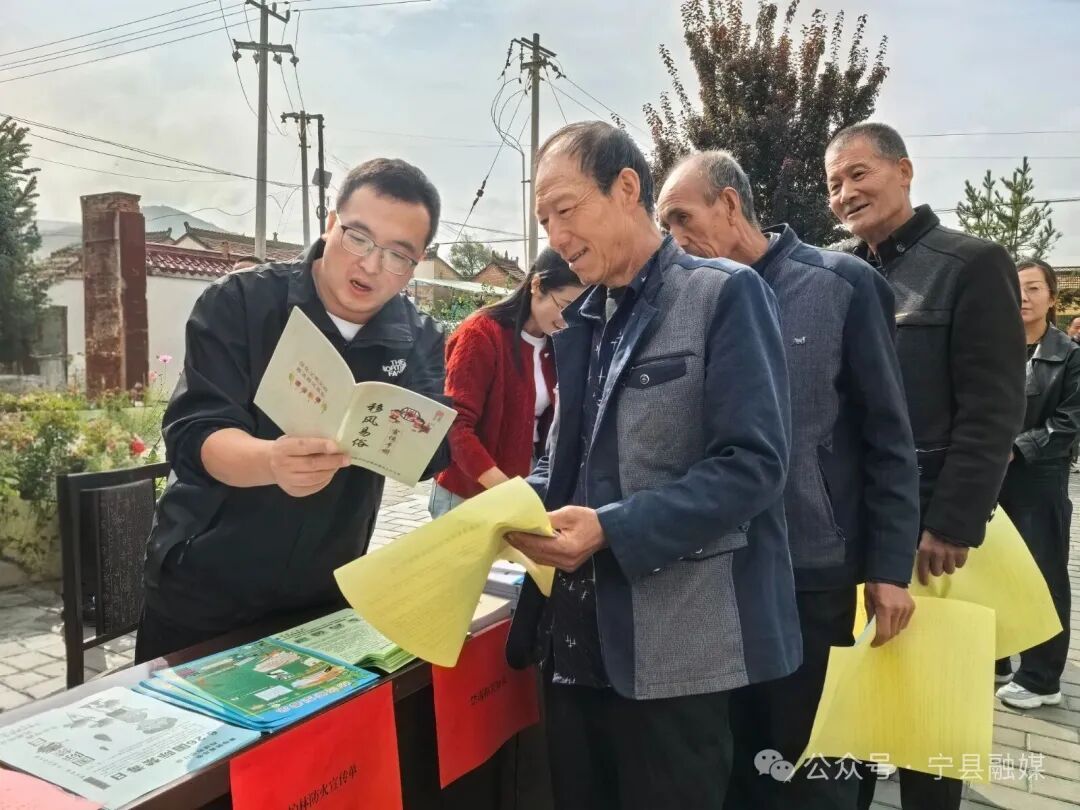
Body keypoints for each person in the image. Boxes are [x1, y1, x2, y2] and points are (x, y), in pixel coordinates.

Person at [503, 121, 801, 810]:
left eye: (566, 209)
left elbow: (753, 465)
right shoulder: (583, 321)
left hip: (675, 652)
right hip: (574, 645)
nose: (556, 235)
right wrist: (505, 509)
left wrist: (610, 528)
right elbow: (565, 464)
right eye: (545, 221)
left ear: (627, 187)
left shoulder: (722, 294)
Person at [657, 150, 920, 809]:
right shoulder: (689, 298)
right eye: (665, 226)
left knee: (813, 759)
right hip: (717, 569)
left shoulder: (839, 285)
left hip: (813, 570)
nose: (674, 239)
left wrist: (889, 568)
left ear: (729, 204)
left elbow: (890, 437)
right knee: (737, 756)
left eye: (682, 218)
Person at [136, 158, 450, 662]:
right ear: (331, 223)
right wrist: (271, 462)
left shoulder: (419, 338)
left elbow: (432, 452)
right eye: (358, 238)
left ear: (416, 264)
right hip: (205, 589)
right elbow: (197, 433)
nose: (371, 265)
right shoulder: (241, 302)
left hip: (321, 595)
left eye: (397, 255)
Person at [825, 122, 1026, 810]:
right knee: (849, 701)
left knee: (928, 711)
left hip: (928, 527)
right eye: (834, 184)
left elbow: (993, 408)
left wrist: (954, 521)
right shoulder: (834, 269)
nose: (845, 194)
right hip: (844, 519)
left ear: (904, 171)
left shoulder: (971, 263)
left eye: (858, 174)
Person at [430, 249, 584, 517]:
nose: (568, 320)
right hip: (469, 491)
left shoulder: (556, 343)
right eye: (564, 306)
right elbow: (455, 424)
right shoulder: (480, 333)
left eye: (578, 312)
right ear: (537, 285)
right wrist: (506, 489)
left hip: (523, 486)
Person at [994, 259, 1080, 709]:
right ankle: (998, 656)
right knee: (992, 568)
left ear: (1052, 297)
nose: (1023, 297)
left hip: (1040, 478)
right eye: (1015, 288)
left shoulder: (1070, 355)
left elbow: (1069, 422)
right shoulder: (993, 346)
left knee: (1043, 574)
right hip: (990, 476)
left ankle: (1042, 677)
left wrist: (1018, 447)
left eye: (1033, 288)